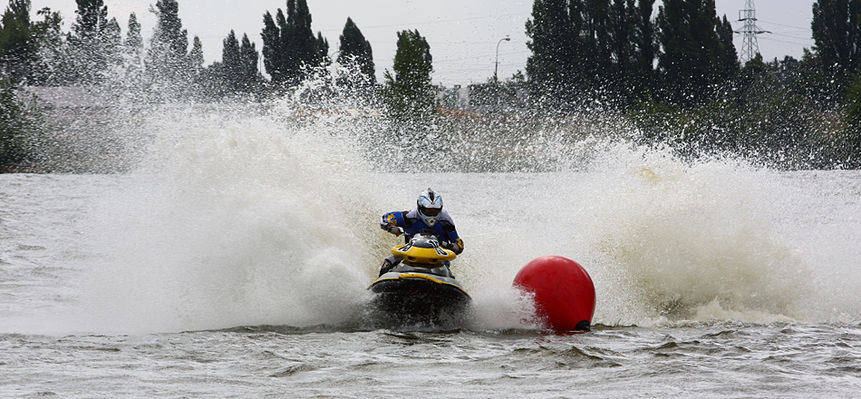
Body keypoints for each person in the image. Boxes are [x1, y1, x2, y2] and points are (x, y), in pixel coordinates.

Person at [378, 188, 464, 276]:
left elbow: (459, 244)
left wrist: (453, 246)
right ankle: (377, 285)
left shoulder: (446, 221)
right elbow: (385, 219)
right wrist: (391, 227)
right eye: (428, 211)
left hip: (438, 262)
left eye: (435, 211)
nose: (431, 215)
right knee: (387, 262)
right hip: (409, 257)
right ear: (420, 208)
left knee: (450, 275)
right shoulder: (409, 216)